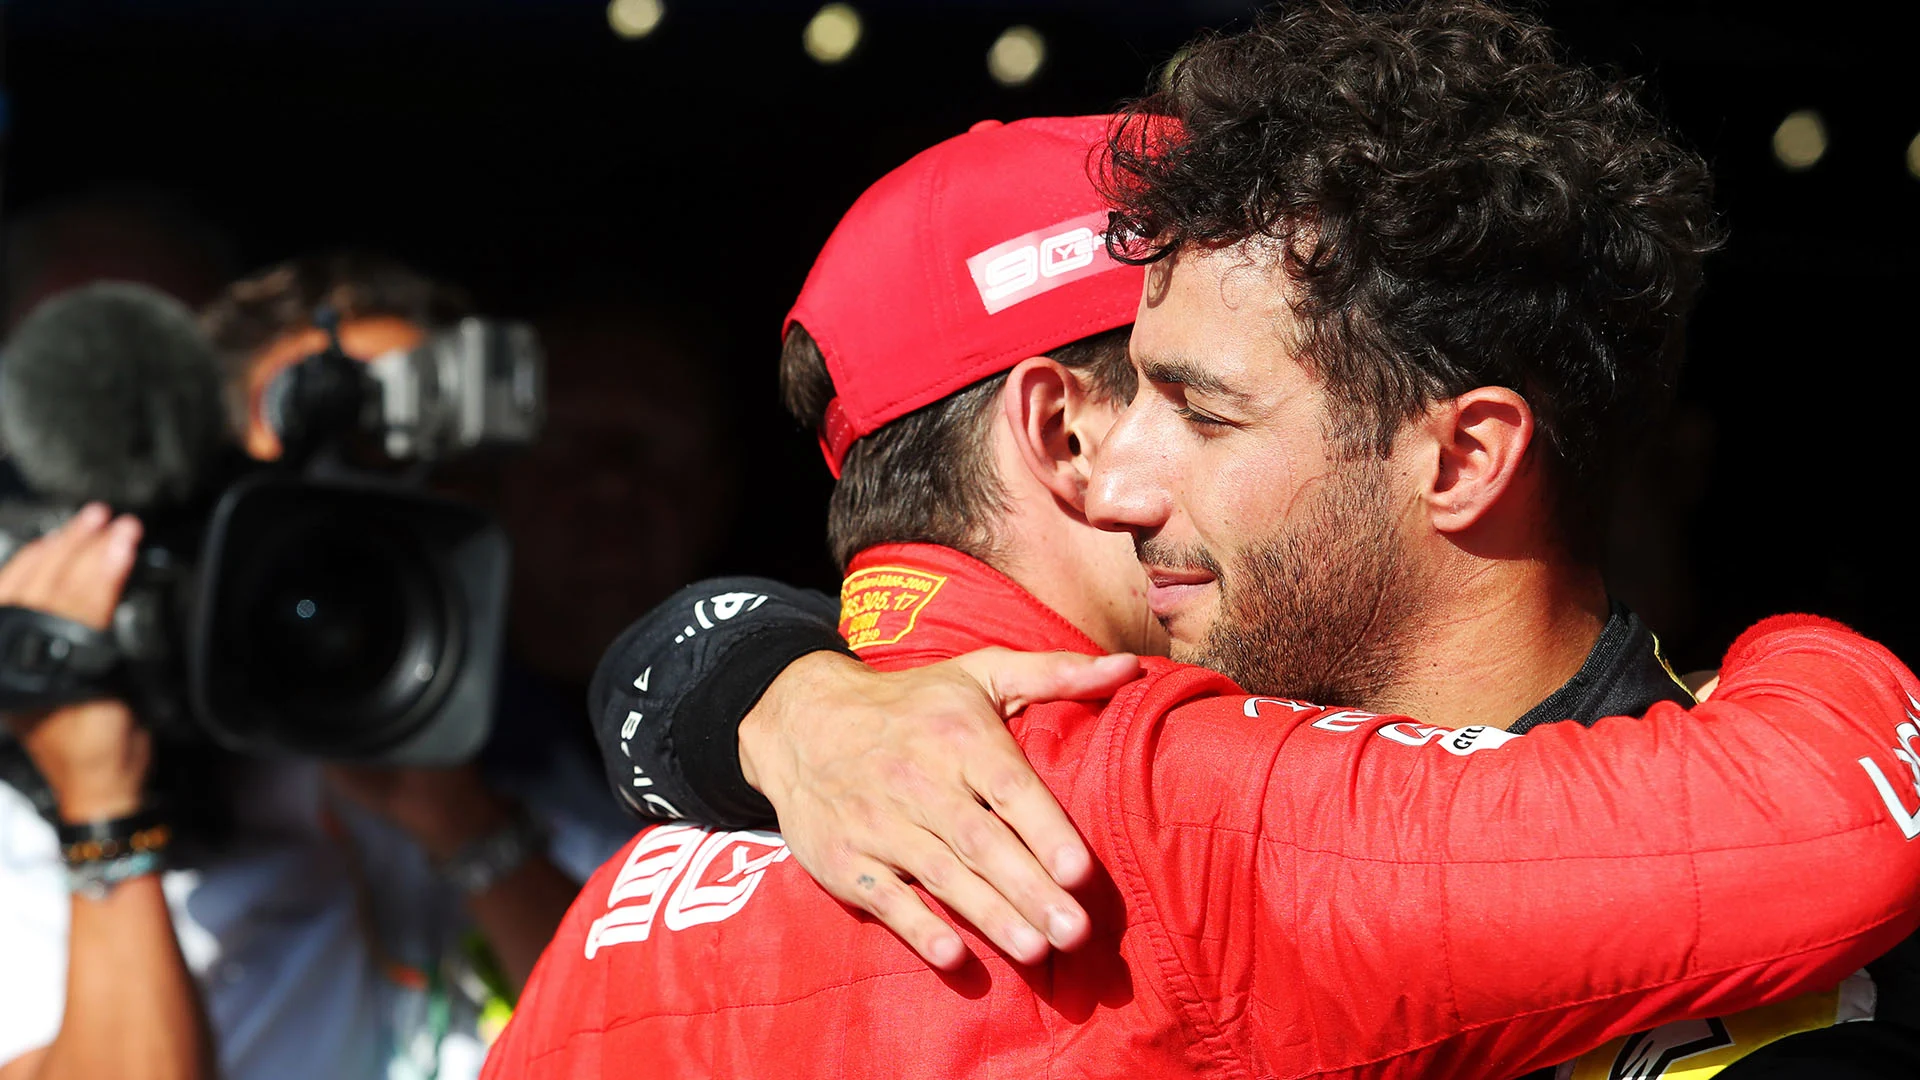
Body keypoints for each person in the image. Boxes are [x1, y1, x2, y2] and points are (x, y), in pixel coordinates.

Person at [485, 94, 1920, 1080]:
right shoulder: (1167, 806)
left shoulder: (620, 906)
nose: (1157, 469)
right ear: (1064, 430)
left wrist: (749, 679)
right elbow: (1838, 829)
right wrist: (1796, 646)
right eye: (1184, 386)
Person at [0, 257, 631, 1080]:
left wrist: (467, 830)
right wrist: (102, 813)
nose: (352, 532)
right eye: (308, 469)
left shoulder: (533, 788)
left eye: (421, 471)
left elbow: (645, 1041)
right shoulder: (45, 792)